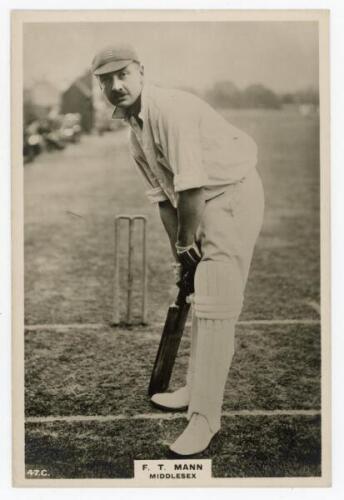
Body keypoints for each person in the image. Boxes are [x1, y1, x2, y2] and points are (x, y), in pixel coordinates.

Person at [91, 44, 264, 456]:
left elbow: (191, 187)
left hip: (230, 195)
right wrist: (181, 257)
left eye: (123, 75)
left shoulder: (169, 110)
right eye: (106, 80)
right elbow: (165, 199)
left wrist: (188, 242)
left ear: (141, 72)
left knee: (216, 301)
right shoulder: (135, 133)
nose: (116, 86)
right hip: (200, 202)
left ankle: (205, 419)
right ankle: (196, 387)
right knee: (199, 291)